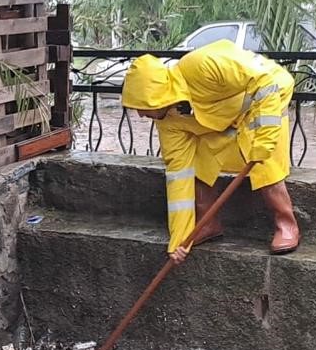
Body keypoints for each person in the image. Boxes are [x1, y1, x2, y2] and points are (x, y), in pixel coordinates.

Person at [120, 40, 300, 263]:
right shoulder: (167, 121)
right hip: (229, 114)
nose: (139, 115)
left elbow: (265, 83)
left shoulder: (202, 66)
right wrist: (181, 240)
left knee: (262, 154)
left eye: (142, 107)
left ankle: (286, 224)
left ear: (158, 96)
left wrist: (264, 140)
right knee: (198, 157)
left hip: (268, 92)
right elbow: (179, 174)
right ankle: (207, 223)